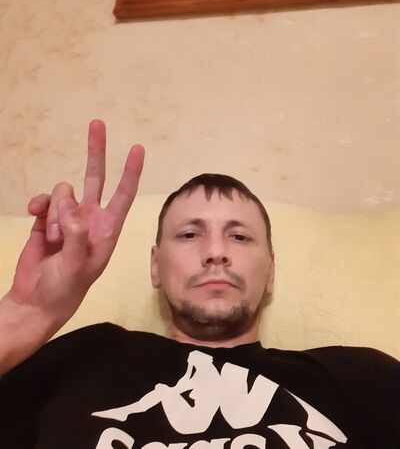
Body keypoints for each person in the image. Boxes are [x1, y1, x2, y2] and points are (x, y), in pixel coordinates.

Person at [0, 120, 398, 449]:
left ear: (271, 271)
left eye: (239, 237)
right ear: (155, 266)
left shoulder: (358, 378)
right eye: (189, 235)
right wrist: (26, 312)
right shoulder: (80, 361)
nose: (215, 252)